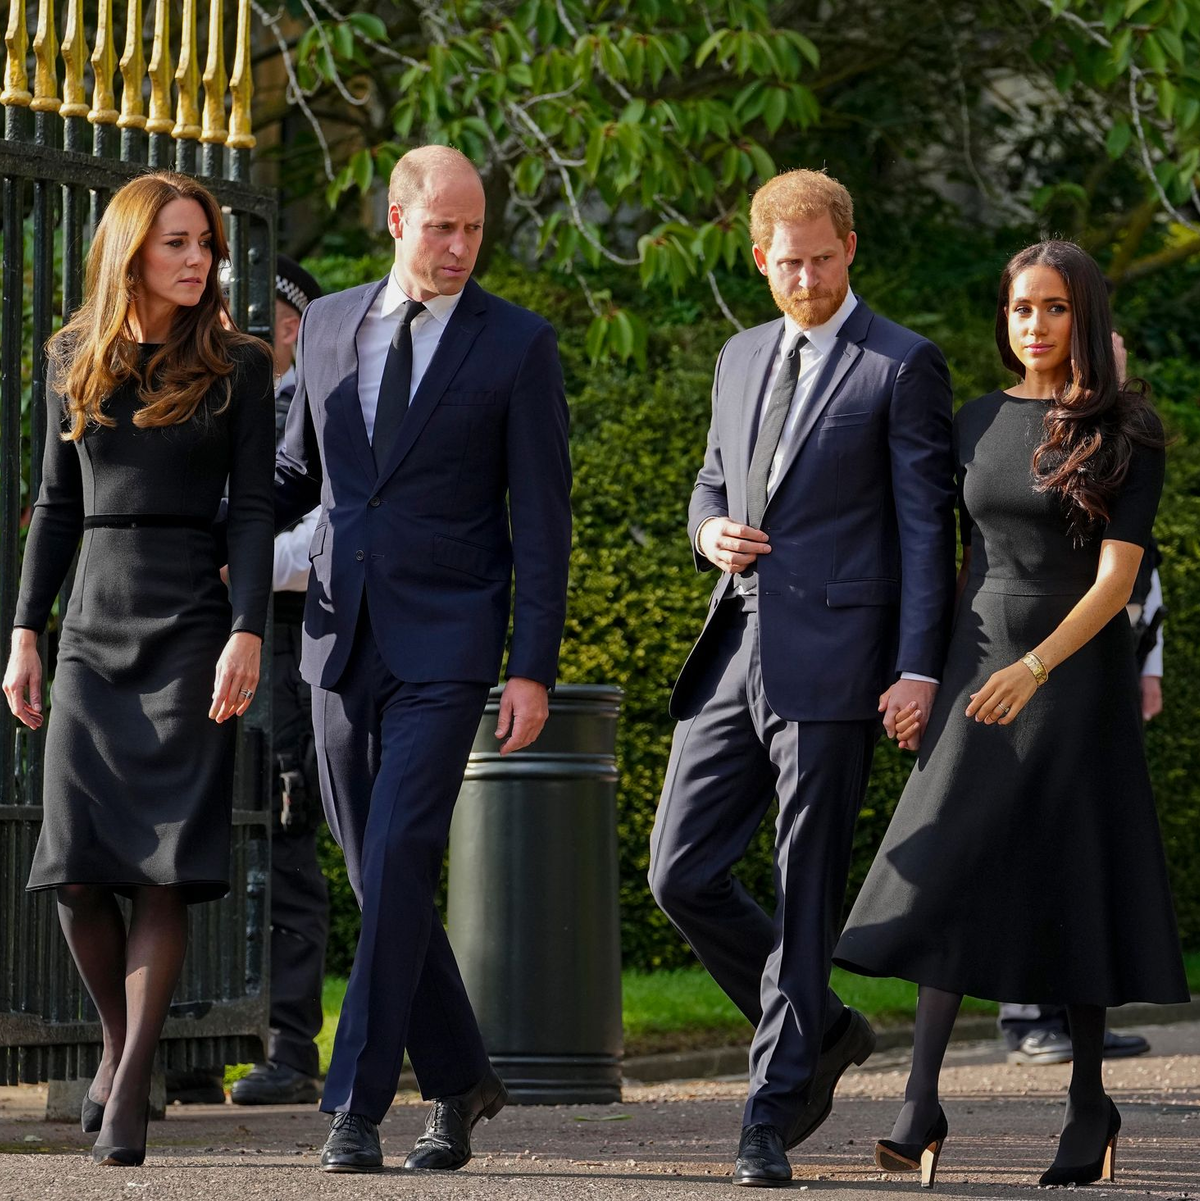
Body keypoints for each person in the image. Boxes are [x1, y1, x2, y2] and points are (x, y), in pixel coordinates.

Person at [834, 240, 1188, 1188]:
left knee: (1071, 873)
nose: (1034, 325)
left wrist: (1036, 666)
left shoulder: (1129, 426)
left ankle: (1088, 1102)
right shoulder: (976, 420)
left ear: (1088, 317)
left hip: (1070, 675)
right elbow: (952, 559)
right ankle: (919, 1100)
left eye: (1055, 308)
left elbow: (1120, 579)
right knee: (948, 858)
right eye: (1021, 308)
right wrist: (926, 675)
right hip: (976, 664)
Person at [648, 168, 957, 1188]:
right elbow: (709, 476)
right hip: (731, 646)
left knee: (807, 882)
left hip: (837, 665)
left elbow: (925, 532)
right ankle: (821, 1027)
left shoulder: (901, 365)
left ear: (851, 248)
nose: (810, 279)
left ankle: (769, 1113)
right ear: (759, 263)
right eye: (790, 265)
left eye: (825, 259)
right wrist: (707, 531)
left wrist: (918, 666)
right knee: (677, 870)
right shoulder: (739, 356)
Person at [272, 144, 571, 1173]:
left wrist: (530, 663)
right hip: (335, 639)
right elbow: (293, 473)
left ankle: (353, 1104)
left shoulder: (518, 346)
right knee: (377, 877)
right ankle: (460, 1078)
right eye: (441, 227)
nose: (459, 247)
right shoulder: (325, 326)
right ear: (395, 222)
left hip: (450, 641)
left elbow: (543, 522)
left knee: (401, 858)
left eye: (474, 229)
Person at [1, 172, 274, 1166]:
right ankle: (120, 1052)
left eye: (204, 242)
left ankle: (128, 1093)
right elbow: (54, 503)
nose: (198, 259)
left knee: (163, 868)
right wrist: (26, 631)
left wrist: (247, 627)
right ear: (131, 252)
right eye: (177, 243)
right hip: (92, 625)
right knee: (77, 870)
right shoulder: (71, 355)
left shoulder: (239, 365)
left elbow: (252, 508)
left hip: (194, 627)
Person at [996, 331, 1164, 1067]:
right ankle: (1025, 1015)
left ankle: (1069, 1014)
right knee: (1019, 836)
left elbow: (1141, 581)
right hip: (1028, 661)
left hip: (1097, 671)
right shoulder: (1032, 447)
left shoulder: (1125, 447)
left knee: (1078, 845)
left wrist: (1147, 668)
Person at [228, 255, 330, 1106]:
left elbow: (323, 537)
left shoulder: (322, 409)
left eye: (254, 315)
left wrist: (239, 566)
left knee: (286, 827)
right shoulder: (215, 397)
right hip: (209, 636)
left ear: (293, 325)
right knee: (204, 827)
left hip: (290, 644)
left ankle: (293, 1044)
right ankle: (196, 1031)